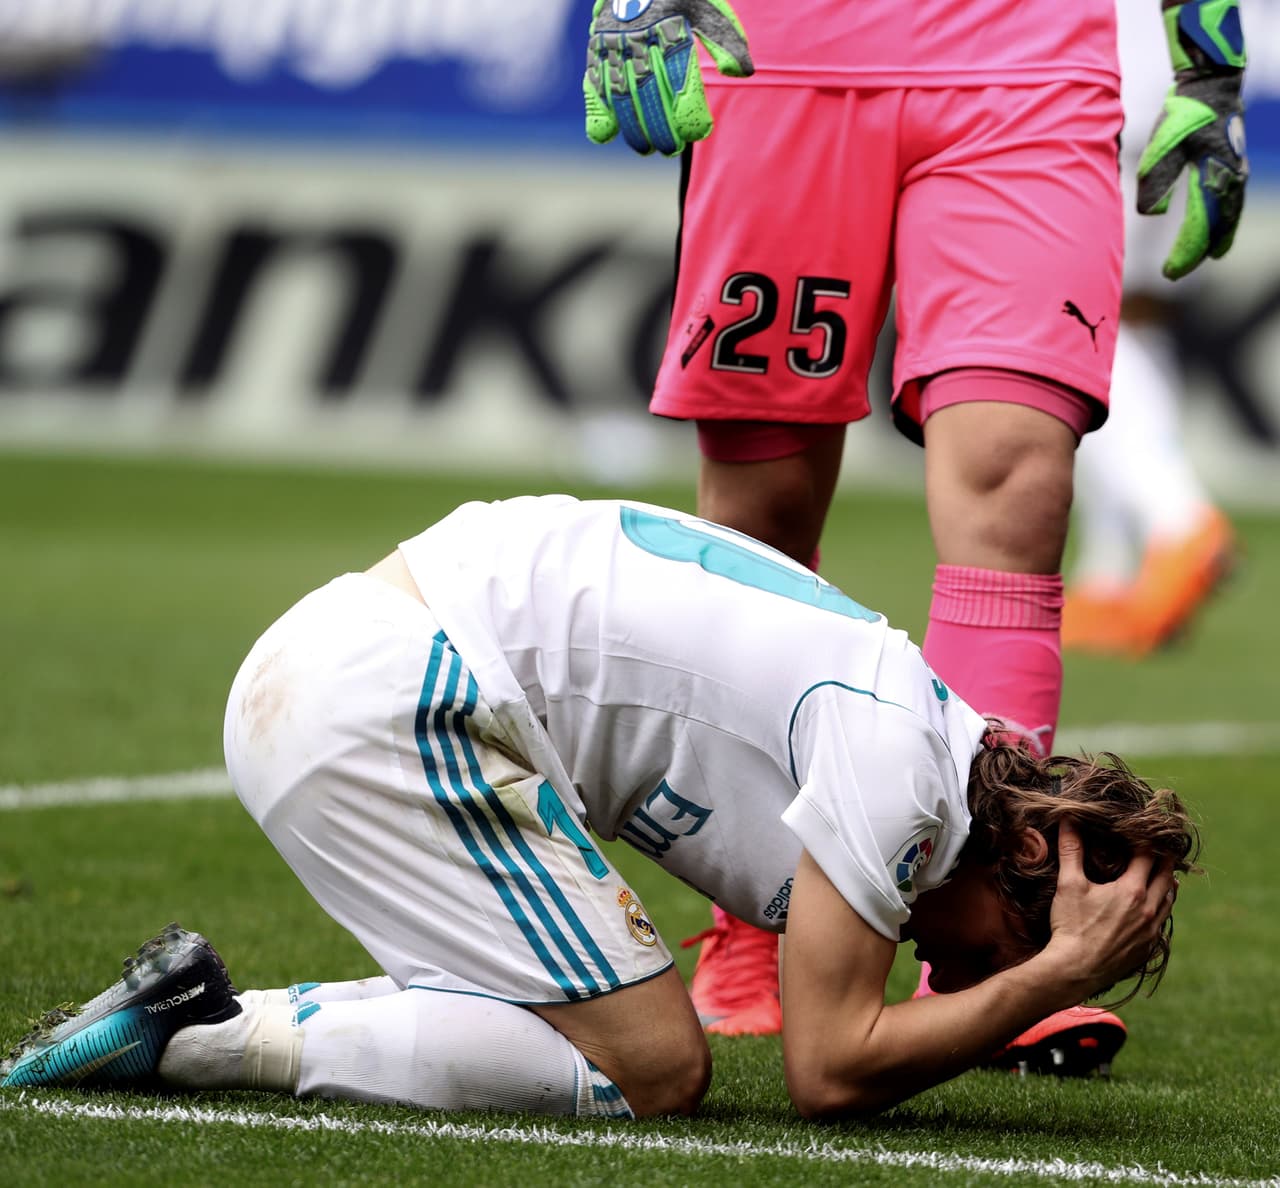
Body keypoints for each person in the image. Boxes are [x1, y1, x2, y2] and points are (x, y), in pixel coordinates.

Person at [2, 496, 1195, 1119]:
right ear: (1025, 842)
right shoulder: (903, 766)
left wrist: (1041, 961)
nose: (965, 967)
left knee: (572, 1031)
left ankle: (185, 1017)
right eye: (1001, 945)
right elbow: (827, 1073)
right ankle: (196, 1037)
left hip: (358, 669)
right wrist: (1048, 983)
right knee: (649, 1072)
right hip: (399, 690)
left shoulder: (918, 737)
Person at [582, 0, 1247, 1056]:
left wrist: (1207, 54)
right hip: (781, 51)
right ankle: (754, 924)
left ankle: (980, 948)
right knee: (763, 514)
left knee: (1016, 485)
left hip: (1028, 61)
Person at [1063, 0, 1241, 658]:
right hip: (1190, 90)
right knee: (1131, 320)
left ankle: (1181, 520)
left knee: (1073, 322)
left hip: (1093, 99)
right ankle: (1113, 574)